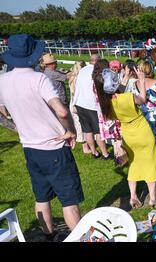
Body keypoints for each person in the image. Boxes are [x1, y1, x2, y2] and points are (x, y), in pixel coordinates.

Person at [0, 34, 84, 240]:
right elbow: (62, 111)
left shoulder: (2, 80)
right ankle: (80, 237)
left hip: (30, 147)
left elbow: (2, 110)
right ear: (33, 55)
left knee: (41, 196)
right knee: (68, 200)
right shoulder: (38, 78)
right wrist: (70, 131)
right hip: (53, 147)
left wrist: (19, 124)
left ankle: (48, 235)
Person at [93, 66, 156, 208]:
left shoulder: (106, 104)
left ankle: (133, 196)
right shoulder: (128, 97)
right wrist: (142, 81)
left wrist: (125, 78)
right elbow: (143, 99)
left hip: (128, 134)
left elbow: (118, 92)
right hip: (142, 131)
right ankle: (152, 198)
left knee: (133, 163)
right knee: (150, 162)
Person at [73, 54, 112, 160]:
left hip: (80, 103)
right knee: (98, 131)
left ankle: (94, 152)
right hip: (91, 105)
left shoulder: (83, 69)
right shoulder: (97, 72)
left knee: (87, 130)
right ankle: (105, 153)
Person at [68, 61, 90, 154]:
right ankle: (85, 147)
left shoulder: (72, 78)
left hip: (73, 103)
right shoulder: (80, 78)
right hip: (79, 103)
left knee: (78, 124)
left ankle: (86, 144)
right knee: (83, 125)